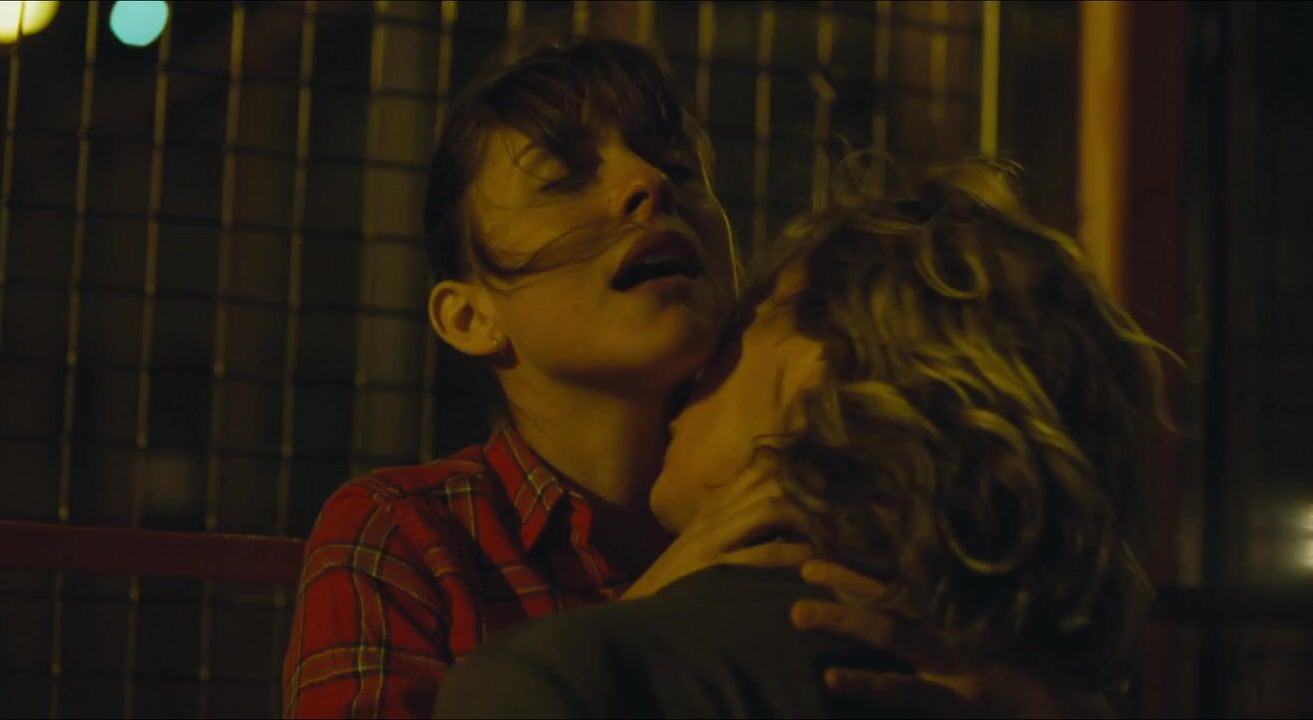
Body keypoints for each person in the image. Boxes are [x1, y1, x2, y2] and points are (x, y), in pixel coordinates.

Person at [282, 35, 1097, 718]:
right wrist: (637, 633)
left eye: (675, 162)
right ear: (469, 317)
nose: (648, 183)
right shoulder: (409, 536)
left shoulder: (833, 509)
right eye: (564, 177)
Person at [433, 157, 1171, 719]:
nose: (691, 390)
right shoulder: (1024, 686)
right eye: (563, 176)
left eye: (739, 331)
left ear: (824, 367)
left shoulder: (560, 684)